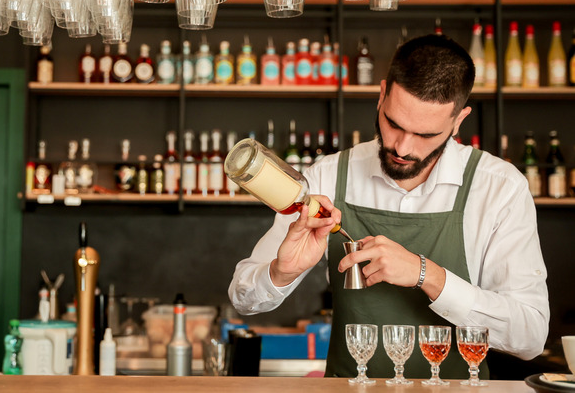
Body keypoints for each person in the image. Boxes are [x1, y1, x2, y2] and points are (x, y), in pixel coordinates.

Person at [228, 34, 549, 379]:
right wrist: (282, 271)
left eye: (425, 135)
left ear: (459, 121)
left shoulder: (499, 187)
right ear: (381, 95)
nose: (402, 147)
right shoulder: (327, 175)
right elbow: (242, 298)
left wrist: (428, 275)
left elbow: (530, 336)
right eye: (393, 123)